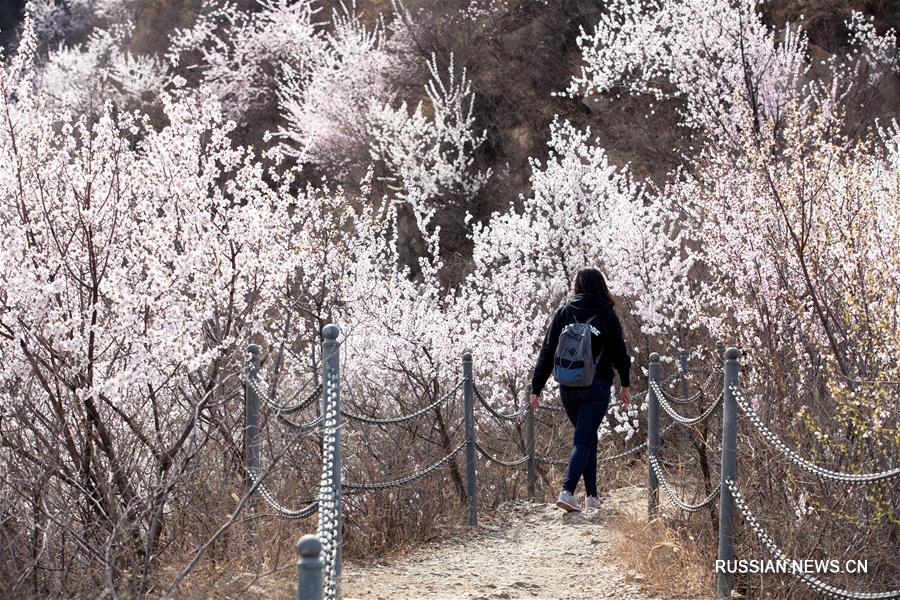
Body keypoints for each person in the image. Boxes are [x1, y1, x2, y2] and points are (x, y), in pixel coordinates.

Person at [529, 267, 632, 512]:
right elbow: (620, 353)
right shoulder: (607, 314)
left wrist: (537, 387)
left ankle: (592, 496)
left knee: (587, 437)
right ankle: (567, 491)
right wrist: (625, 384)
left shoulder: (564, 311)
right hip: (596, 386)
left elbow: (547, 350)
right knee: (584, 439)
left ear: (577, 286)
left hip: (567, 386)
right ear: (601, 286)